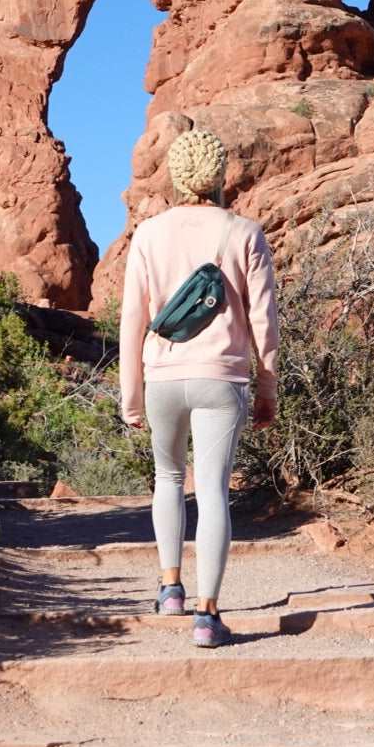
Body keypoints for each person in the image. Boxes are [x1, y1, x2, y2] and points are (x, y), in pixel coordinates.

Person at [118, 127, 279, 648]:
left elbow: (132, 321)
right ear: (219, 174)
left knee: (168, 478)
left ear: (175, 173)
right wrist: (268, 386)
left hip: (162, 377)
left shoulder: (148, 234)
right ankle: (207, 618)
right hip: (221, 377)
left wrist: (131, 394)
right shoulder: (243, 232)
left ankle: (169, 589)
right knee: (212, 494)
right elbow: (264, 320)